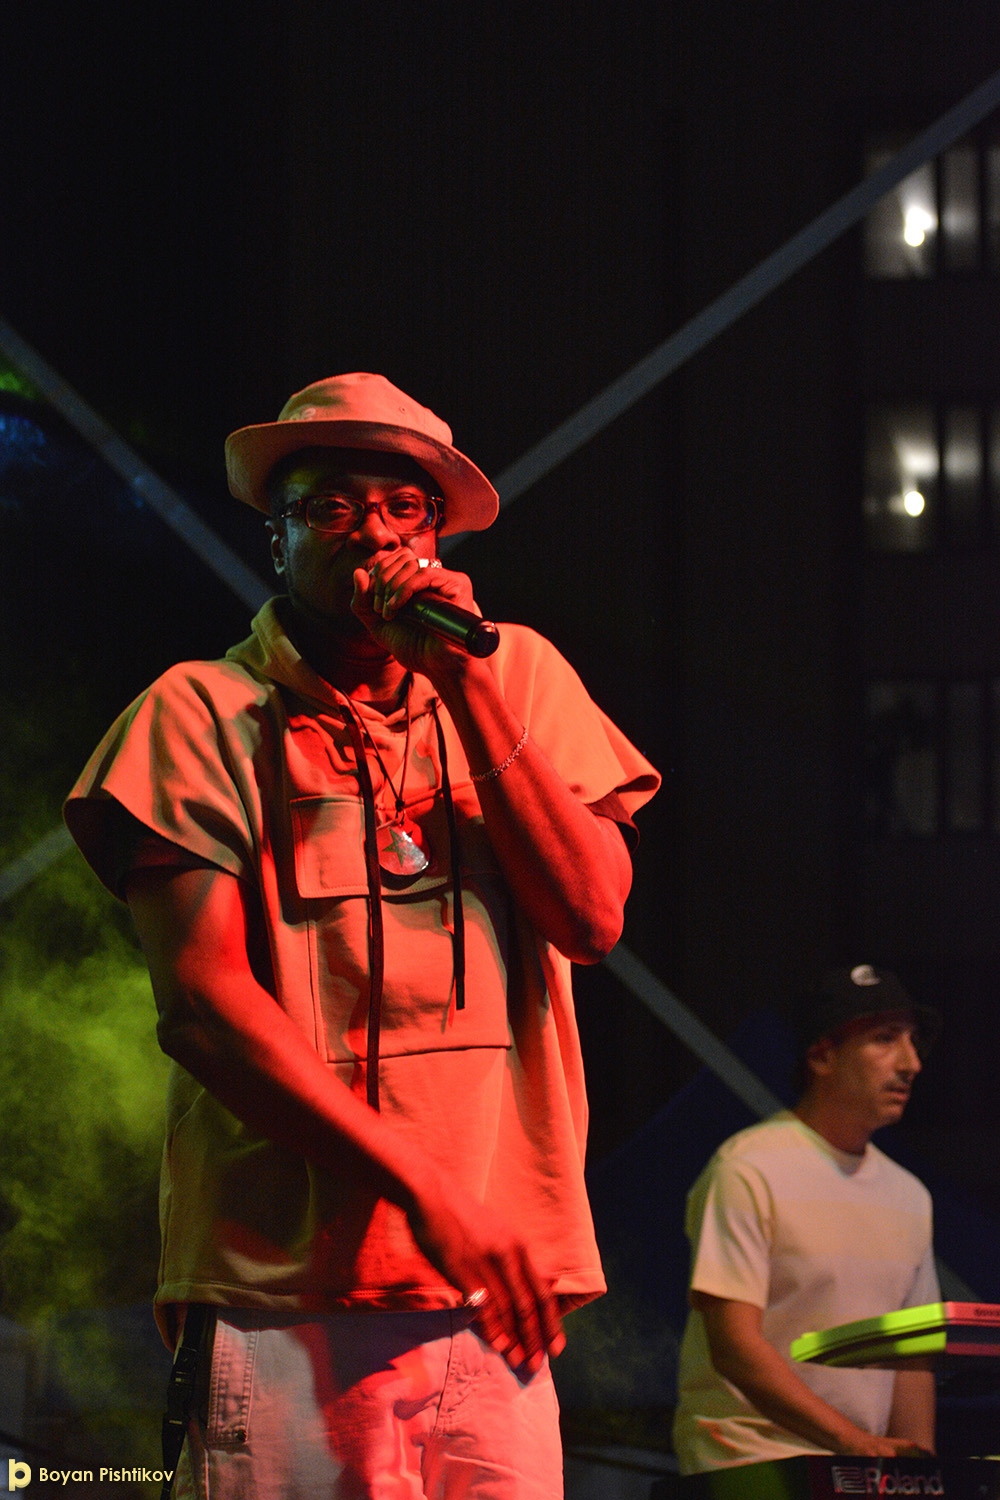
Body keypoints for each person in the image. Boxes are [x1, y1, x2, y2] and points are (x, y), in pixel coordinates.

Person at [64, 372, 660, 1500]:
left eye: (404, 509)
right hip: (281, 1297)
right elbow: (202, 1011)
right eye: (332, 507)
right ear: (278, 538)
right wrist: (426, 1192)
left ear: (435, 535)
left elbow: (592, 917)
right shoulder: (197, 713)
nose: (375, 535)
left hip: (495, 1295)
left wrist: (467, 690)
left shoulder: (517, 674)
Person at [672, 964, 940, 1475]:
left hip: (857, 1465)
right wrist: (854, 1442)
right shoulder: (748, 1169)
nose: (911, 1063)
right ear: (822, 1056)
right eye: (885, 1039)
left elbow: (911, 1354)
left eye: (912, 1041)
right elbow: (734, 1346)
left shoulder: (910, 1197)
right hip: (750, 1462)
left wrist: (917, 1473)